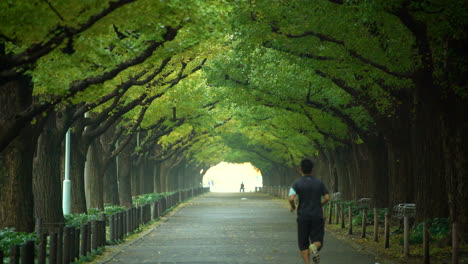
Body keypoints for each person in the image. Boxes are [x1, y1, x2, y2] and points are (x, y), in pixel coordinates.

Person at [289, 158, 330, 264]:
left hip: (303, 216)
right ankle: (314, 247)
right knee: (318, 240)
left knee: (303, 243)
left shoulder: (296, 183)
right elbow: (327, 197)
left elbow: (291, 198)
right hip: (317, 215)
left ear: (300, 169)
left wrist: (293, 206)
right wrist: (320, 204)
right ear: (312, 169)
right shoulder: (319, 183)